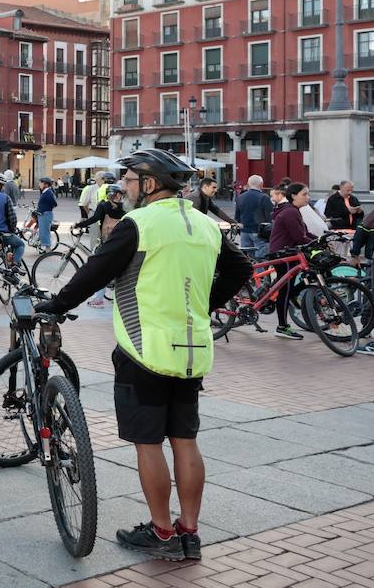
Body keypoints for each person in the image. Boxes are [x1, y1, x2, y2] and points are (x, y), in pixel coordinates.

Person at [37, 148, 250, 562]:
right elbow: (241, 269)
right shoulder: (206, 225)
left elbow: (94, 272)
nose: (125, 188)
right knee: (185, 439)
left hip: (144, 349)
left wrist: (56, 306)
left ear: (149, 184)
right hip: (193, 351)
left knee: (148, 443)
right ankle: (190, 532)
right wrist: (204, 305)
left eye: (130, 181)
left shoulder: (140, 224)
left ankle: (162, 532)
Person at [268, 183, 315, 341]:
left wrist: (321, 238)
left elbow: (304, 232)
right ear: (294, 195)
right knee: (285, 291)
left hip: (287, 253)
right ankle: (282, 327)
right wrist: (315, 243)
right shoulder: (290, 212)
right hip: (284, 255)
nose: (308, 197)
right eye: (305, 194)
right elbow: (299, 238)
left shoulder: (293, 210)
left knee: (287, 289)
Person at [73, 183, 127, 307]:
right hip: (120, 240)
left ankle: (98, 299)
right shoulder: (125, 207)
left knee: (100, 269)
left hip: (106, 241)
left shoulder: (104, 205)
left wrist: (78, 224)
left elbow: (94, 219)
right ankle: (111, 296)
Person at [234, 175, 272, 256]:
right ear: (261, 184)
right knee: (261, 259)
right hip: (260, 233)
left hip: (244, 232)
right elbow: (270, 217)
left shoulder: (240, 197)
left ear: (248, 184)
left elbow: (237, 217)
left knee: (248, 259)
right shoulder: (264, 197)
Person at [32, 177, 58, 250]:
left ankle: (48, 250)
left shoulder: (48, 192)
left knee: (45, 232)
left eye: (41, 183)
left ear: (46, 184)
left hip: (45, 214)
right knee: (43, 232)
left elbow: (54, 203)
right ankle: (45, 248)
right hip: (43, 214)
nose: (39, 184)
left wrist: (46, 208)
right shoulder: (45, 192)